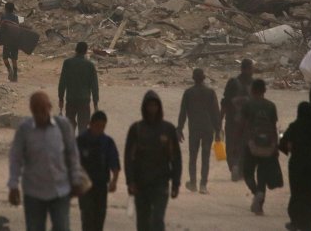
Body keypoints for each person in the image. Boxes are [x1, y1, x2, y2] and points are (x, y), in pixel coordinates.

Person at [8, 91, 81, 231]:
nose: (40, 113)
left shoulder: (63, 126)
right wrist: (13, 185)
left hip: (60, 190)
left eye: (43, 109)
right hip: (33, 192)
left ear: (49, 107)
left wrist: (76, 179)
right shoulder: (25, 130)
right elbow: (15, 158)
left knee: (62, 228)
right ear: (31, 110)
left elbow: (73, 153)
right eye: (36, 110)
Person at [125, 90, 181, 231]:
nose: (152, 109)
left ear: (159, 107)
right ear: (144, 107)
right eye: (149, 105)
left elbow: (176, 158)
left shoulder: (168, 129)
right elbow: (128, 159)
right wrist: (130, 181)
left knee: (157, 219)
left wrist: (176, 183)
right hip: (141, 184)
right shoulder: (136, 129)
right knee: (143, 222)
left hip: (160, 184)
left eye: (155, 105)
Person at [240, 79, 283, 215]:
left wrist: (238, 143)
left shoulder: (248, 105)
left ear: (252, 90)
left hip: (251, 144)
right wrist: (275, 147)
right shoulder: (271, 106)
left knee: (248, 172)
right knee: (262, 175)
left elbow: (243, 126)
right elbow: (273, 127)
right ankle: (259, 207)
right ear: (264, 90)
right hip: (268, 145)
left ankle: (256, 192)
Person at [176, 68, 221, 193]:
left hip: (194, 129)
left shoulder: (188, 93)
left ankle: (193, 183)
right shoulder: (210, 92)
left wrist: (179, 129)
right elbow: (216, 113)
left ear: (193, 78)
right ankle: (203, 185)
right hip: (208, 129)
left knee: (193, 156)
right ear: (204, 78)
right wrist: (218, 131)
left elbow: (183, 113)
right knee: (205, 157)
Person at [280, 102, 311, 231]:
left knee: (297, 193)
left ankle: (295, 221)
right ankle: (309, 223)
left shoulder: (295, 126)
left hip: (297, 165)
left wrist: (290, 148)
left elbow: (282, 144)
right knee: (310, 194)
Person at [77, 110, 120, 231]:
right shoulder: (81, 141)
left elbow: (114, 163)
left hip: (101, 187)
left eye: (103, 126)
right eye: (97, 126)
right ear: (90, 124)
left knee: (99, 220)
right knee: (87, 220)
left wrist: (114, 181)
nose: (100, 129)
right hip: (85, 187)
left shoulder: (107, 142)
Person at [221, 58, 255, 181]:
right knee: (244, 145)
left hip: (234, 121)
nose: (252, 71)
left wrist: (219, 120)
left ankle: (235, 166)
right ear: (245, 69)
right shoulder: (252, 84)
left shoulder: (233, 82)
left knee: (233, 145)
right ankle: (239, 169)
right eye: (251, 68)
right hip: (245, 122)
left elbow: (224, 102)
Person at [57, 42, 99, 133]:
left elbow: (62, 82)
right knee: (83, 128)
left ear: (76, 50)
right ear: (86, 51)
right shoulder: (90, 65)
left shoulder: (67, 63)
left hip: (71, 100)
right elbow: (94, 86)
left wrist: (61, 98)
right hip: (84, 101)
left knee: (70, 127)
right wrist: (95, 103)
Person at [0, 1, 21, 82]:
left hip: (7, 41)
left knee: (5, 57)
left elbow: (1, 27)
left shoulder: (3, 17)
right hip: (15, 40)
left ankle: (9, 70)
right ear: (13, 9)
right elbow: (20, 27)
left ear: (6, 9)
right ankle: (15, 75)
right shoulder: (17, 17)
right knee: (14, 59)